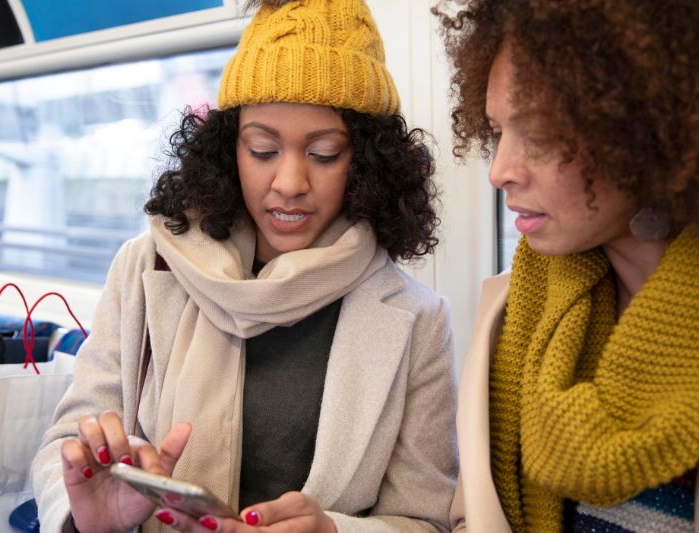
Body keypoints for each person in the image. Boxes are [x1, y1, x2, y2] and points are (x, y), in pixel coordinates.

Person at [32, 1, 459, 532]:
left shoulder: (419, 320)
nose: (289, 183)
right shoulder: (144, 270)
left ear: (368, 163)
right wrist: (85, 519)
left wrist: (333, 530)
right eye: (262, 149)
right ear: (227, 148)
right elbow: (66, 443)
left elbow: (425, 521)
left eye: (324, 153)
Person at [433, 0, 699, 531]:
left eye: (537, 135)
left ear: (646, 130)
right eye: (496, 131)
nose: (498, 171)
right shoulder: (514, 317)